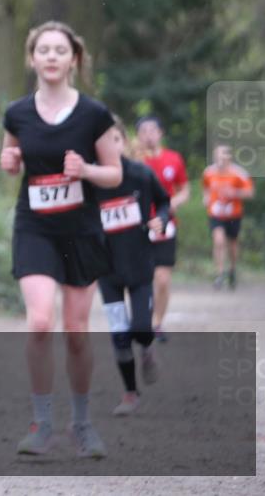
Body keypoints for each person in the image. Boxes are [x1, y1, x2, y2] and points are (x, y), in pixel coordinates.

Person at [0, 20, 122, 459]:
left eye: (60, 50)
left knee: (75, 331)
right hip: (35, 226)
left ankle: (82, 423)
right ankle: (41, 423)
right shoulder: (17, 112)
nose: (51, 57)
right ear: (32, 59)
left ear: (74, 59)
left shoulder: (94, 114)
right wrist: (10, 160)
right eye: (43, 50)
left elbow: (116, 172)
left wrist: (86, 171)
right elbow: (11, 157)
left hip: (80, 229)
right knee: (38, 321)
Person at [96, 116, 171, 415]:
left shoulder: (140, 174)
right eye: (102, 143)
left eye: (115, 140)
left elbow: (164, 203)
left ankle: (148, 350)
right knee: (119, 334)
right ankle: (130, 393)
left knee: (141, 327)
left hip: (139, 263)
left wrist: (160, 220)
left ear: (124, 142)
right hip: (106, 270)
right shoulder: (91, 182)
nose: (110, 147)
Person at [136, 116, 189, 342]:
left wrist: (172, 203)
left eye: (152, 130)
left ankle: (157, 322)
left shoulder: (173, 159)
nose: (148, 135)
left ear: (160, 133)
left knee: (163, 279)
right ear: (138, 136)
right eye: (144, 131)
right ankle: (141, 320)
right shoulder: (133, 161)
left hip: (166, 226)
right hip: (138, 226)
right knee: (141, 278)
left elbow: (184, 189)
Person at [203, 145, 254, 290]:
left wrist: (234, 193)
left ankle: (232, 269)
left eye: (224, 156)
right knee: (218, 241)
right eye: (218, 156)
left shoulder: (239, 173)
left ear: (229, 157)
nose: (221, 159)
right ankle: (219, 274)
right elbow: (206, 188)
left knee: (232, 245)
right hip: (216, 213)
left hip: (233, 214)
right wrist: (206, 198)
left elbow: (250, 193)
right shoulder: (208, 172)